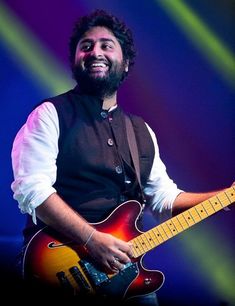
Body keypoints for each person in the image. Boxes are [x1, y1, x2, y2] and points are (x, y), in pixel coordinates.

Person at [10, 9, 234, 306]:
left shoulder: (141, 131)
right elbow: (32, 190)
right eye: (86, 46)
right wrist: (92, 240)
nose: (95, 52)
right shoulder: (50, 115)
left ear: (126, 63)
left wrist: (226, 196)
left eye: (106, 45)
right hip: (62, 267)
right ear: (75, 60)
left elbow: (163, 199)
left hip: (126, 275)